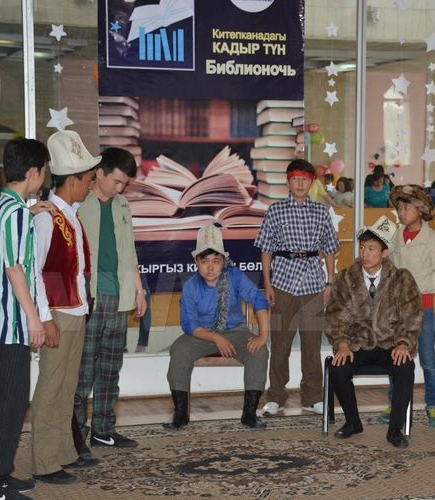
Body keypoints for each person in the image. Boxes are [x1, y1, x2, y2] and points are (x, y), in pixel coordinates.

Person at [0, 138, 52, 500]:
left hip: (0, 321)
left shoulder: (4, 205)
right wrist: (34, 319)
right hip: (11, 323)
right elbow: (15, 268)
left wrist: (32, 211)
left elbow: (10, 246)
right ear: (34, 172)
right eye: (44, 171)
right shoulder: (16, 213)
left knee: (5, 398)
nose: (44, 177)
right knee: (11, 402)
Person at [30, 130, 99, 485]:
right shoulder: (46, 217)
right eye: (89, 179)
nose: (91, 185)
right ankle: (44, 461)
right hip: (58, 313)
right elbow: (36, 271)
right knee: (51, 386)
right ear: (72, 180)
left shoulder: (70, 214)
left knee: (67, 385)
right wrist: (46, 318)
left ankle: (62, 452)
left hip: (75, 311)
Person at [74, 147, 148, 454]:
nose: (120, 188)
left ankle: (103, 431)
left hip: (120, 298)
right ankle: (75, 436)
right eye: (117, 181)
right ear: (99, 172)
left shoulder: (122, 205)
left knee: (109, 369)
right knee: (82, 372)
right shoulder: (78, 204)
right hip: (88, 298)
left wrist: (139, 291)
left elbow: (130, 251)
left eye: (125, 184)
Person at [326, 216, 421, 449]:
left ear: (384, 252)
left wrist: (403, 343)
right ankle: (353, 422)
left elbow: (411, 316)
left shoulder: (401, 279)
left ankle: (395, 429)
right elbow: (335, 316)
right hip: (356, 344)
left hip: (390, 344)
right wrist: (342, 344)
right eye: (362, 247)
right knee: (338, 368)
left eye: (371, 248)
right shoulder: (346, 278)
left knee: (405, 367)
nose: (365, 253)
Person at [254, 158, 340, 416]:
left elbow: (330, 249)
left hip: (313, 283)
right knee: (280, 342)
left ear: (312, 182)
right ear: (288, 182)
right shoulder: (275, 211)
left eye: (305, 179)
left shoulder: (321, 212)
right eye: (295, 179)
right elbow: (266, 250)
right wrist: (268, 284)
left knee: (312, 344)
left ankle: (312, 396)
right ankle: (276, 396)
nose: (300, 184)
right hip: (282, 283)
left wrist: (329, 282)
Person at [165, 224, 270, 429]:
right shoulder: (191, 286)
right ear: (196, 262)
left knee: (259, 351)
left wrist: (263, 335)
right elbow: (189, 324)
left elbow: (258, 299)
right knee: (178, 350)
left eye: (216, 261)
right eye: (205, 261)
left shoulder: (234, 276)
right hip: (201, 334)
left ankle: (249, 413)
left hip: (235, 331)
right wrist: (216, 337)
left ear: (224, 261)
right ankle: (181, 414)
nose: (210, 267)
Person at [387, 185, 435, 427]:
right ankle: (394, 403)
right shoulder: (396, 236)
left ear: (420, 210)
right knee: (397, 356)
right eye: (399, 208)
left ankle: (433, 405)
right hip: (398, 309)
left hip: (423, 307)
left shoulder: (432, 239)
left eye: (407, 208)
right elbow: (390, 263)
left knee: (427, 358)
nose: (401, 213)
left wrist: (416, 288)